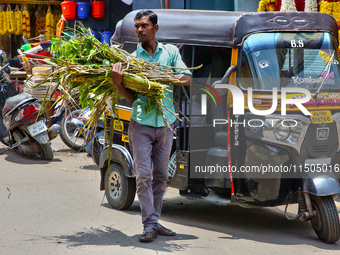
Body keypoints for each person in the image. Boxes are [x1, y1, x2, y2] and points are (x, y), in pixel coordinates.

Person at [111, 10, 191, 242]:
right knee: (144, 175)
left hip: (165, 124)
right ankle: (150, 224)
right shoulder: (132, 60)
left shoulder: (171, 53)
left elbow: (186, 78)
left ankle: (153, 221)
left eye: (144, 25)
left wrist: (162, 78)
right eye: (137, 26)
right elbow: (131, 97)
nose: (139, 30)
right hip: (141, 125)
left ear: (155, 28)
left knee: (161, 176)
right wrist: (118, 84)